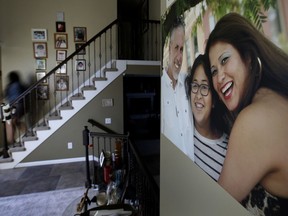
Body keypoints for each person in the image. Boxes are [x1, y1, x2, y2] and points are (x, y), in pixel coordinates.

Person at [205, 13, 288, 215]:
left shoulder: (252, 122)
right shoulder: (275, 97)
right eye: (214, 71)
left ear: (248, 58)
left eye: (225, 60)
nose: (219, 77)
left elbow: (213, 210)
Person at [185, 54, 229, 181]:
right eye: (195, 86)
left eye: (204, 87)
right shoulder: (183, 136)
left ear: (214, 100)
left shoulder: (229, 149)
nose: (198, 95)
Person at [161, 16, 194, 160]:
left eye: (182, 49)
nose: (179, 56)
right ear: (169, 47)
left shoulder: (188, 83)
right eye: (176, 48)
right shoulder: (160, 89)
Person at [4, 71, 26, 145]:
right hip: (12, 106)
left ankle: (11, 141)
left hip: (12, 106)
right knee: (13, 122)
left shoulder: (13, 85)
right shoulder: (16, 85)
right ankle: (12, 141)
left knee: (11, 122)